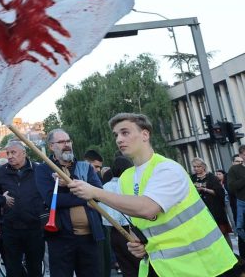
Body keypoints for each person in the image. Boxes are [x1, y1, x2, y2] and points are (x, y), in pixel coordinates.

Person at [69, 112, 238, 277]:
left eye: (125, 132)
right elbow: (139, 223)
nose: (119, 139)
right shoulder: (126, 178)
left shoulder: (167, 169)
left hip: (204, 266)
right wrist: (140, 244)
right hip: (163, 268)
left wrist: (95, 192)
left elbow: (148, 209)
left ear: (145, 134)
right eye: (116, 135)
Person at [35, 128, 104, 277]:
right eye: (61, 142)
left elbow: (99, 193)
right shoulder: (43, 170)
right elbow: (52, 200)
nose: (66, 145)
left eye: (68, 141)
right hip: (60, 238)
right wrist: (85, 197)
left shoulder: (85, 167)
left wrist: (69, 185)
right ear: (51, 146)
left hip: (89, 237)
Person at [0, 141, 42, 277]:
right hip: (11, 228)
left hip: (34, 227)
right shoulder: (2, 172)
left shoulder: (38, 170)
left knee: (35, 268)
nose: (9, 156)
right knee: (13, 269)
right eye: (8, 153)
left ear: (24, 153)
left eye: (13, 152)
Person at [97, 156, 139, 277]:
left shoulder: (104, 187)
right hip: (130, 230)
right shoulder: (129, 184)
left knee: (126, 267)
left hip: (113, 232)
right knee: (140, 266)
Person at [191, 158, 233, 245]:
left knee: (222, 232)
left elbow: (219, 192)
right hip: (201, 208)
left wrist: (204, 189)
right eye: (194, 167)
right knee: (207, 234)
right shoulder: (193, 178)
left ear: (203, 167)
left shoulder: (211, 177)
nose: (196, 168)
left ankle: (230, 253)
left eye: (198, 166)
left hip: (215, 208)